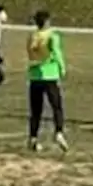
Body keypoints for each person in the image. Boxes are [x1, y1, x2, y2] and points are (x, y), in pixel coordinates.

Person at [25, 10, 68, 153]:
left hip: (35, 76)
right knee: (57, 106)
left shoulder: (32, 36)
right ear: (48, 22)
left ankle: (33, 138)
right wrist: (62, 68)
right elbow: (56, 53)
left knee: (36, 110)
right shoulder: (52, 36)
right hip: (50, 75)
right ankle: (59, 132)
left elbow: (30, 54)